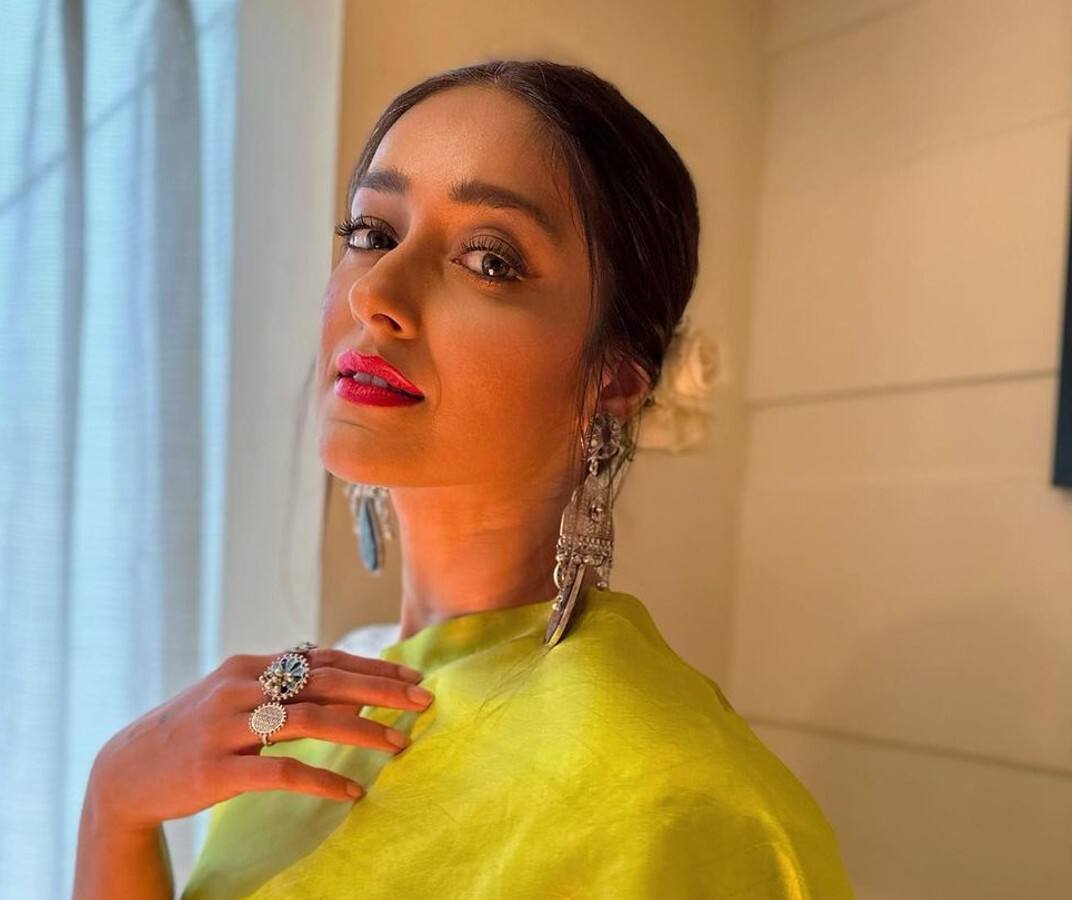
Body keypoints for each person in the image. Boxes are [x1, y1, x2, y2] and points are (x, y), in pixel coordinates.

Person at [73, 59, 856, 899]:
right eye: (372, 234)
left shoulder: (679, 804)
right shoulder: (312, 704)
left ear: (614, 383)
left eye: (489, 260)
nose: (377, 292)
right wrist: (116, 804)